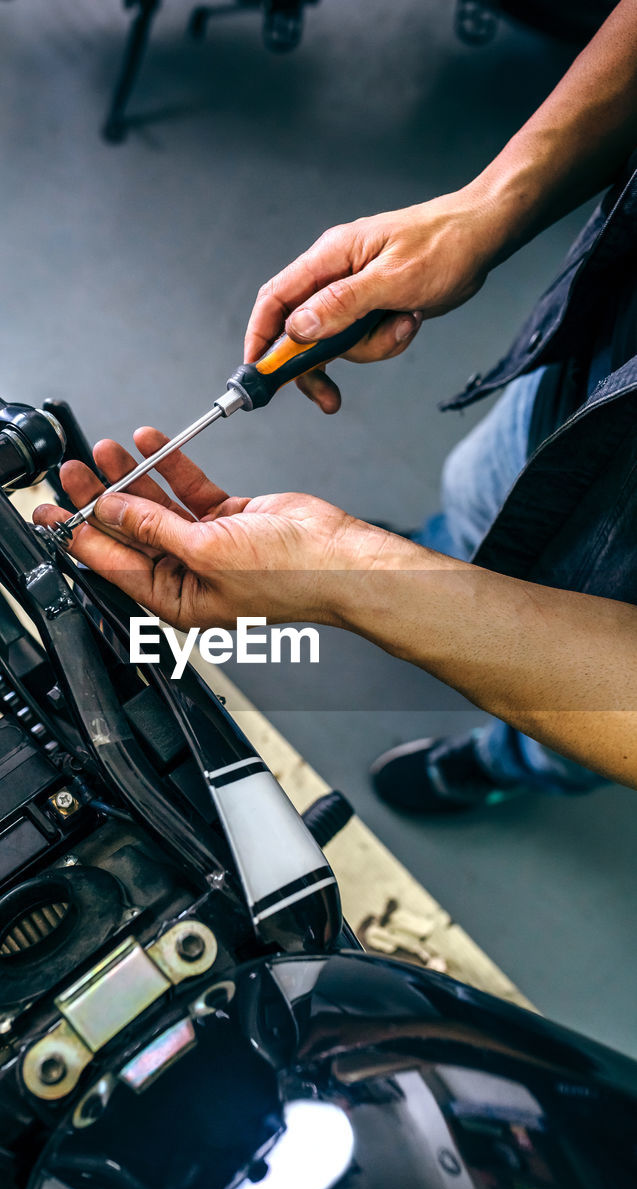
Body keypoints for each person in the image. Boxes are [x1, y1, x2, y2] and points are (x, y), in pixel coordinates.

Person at [36, 0, 637, 813]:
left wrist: (350, 576)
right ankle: (445, 550)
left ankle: (501, 763)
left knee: (560, 736)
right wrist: (491, 202)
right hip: (599, 382)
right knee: (482, 492)